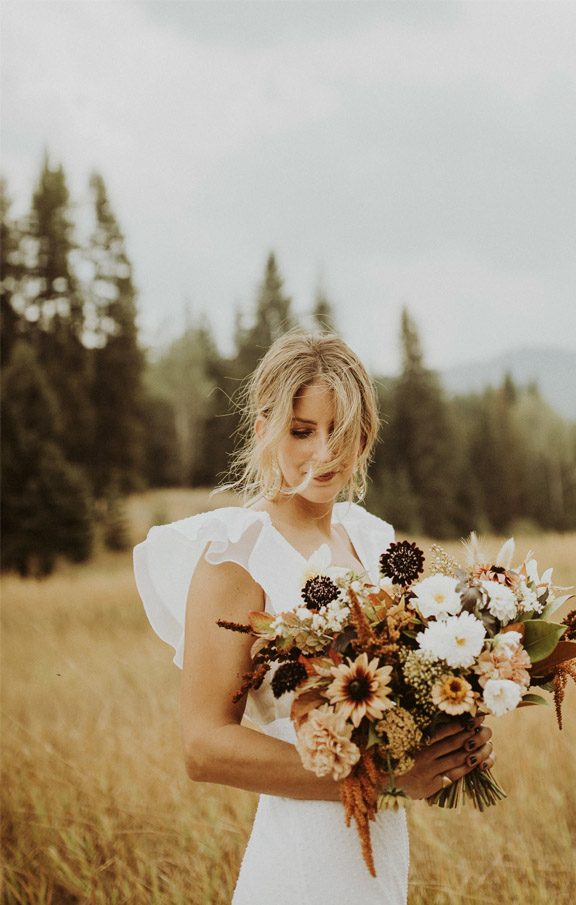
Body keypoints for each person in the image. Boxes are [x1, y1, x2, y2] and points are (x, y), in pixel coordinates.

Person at [133, 331, 495, 904]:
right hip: (301, 857)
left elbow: (388, 704)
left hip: (380, 850)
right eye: (303, 431)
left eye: (343, 432)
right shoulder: (237, 552)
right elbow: (202, 746)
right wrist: (380, 778)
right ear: (265, 430)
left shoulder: (370, 540)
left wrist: (451, 736)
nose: (325, 452)